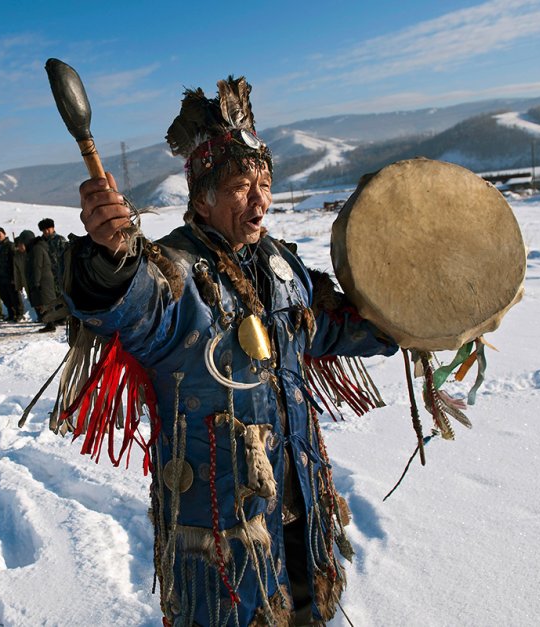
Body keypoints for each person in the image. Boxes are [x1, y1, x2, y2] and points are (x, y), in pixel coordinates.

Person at [65, 77, 398, 626]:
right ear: (203, 196)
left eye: (265, 181)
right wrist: (111, 259)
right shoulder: (175, 272)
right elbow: (132, 301)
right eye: (243, 183)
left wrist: (406, 323)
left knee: (313, 612)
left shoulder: (283, 267)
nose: (260, 198)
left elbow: (331, 327)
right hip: (222, 524)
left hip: (300, 504)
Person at [15, 230, 67, 333]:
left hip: (43, 280)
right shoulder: (36, 247)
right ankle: (50, 323)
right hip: (43, 279)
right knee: (44, 302)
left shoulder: (36, 249)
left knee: (45, 302)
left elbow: (37, 266)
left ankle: (50, 324)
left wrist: (36, 282)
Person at [0, 227, 24, 322]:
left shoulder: (10, 245)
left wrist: (15, 276)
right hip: (0, 276)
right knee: (4, 296)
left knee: (14, 296)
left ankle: (19, 313)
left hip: (10, 276)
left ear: (4, 234)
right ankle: (11, 313)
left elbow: (15, 262)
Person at [38, 217, 69, 296]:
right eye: (44, 230)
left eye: (48, 229)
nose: (46, 231)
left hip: (61, 274)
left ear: (53, 228)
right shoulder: (40, 242)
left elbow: (67, 256)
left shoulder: (60, 240)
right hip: (47, 276)